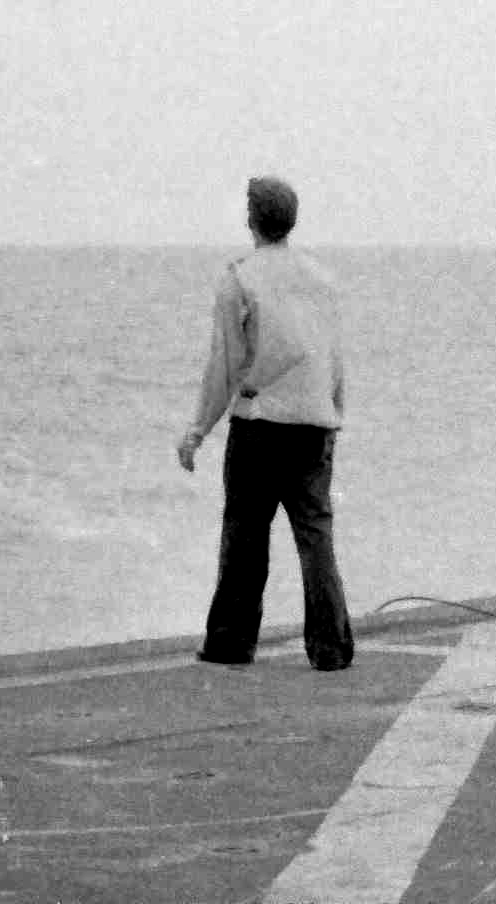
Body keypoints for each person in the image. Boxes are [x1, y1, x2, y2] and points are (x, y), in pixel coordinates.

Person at [176, 175, 354, 672]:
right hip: (316, 423)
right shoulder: (322, 278)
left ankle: (231, 643)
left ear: (251, 219)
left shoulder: (239, 277)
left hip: (260, 425)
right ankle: (331, 647)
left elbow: (225, 366)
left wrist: (197, 430)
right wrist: (334, 411)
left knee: (246, 533)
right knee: (315, 535)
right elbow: (334, 357)